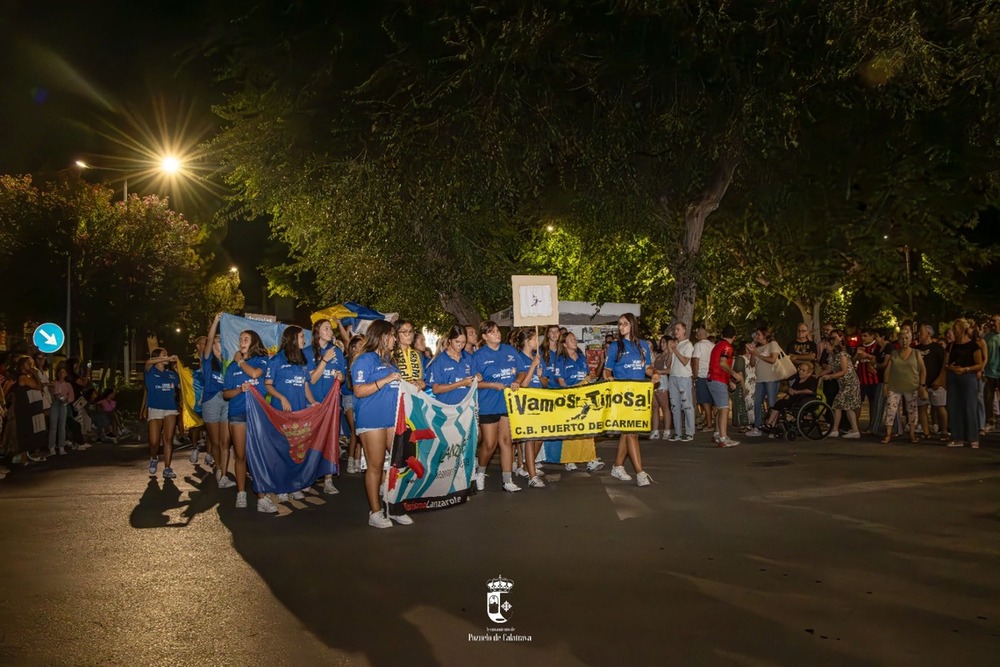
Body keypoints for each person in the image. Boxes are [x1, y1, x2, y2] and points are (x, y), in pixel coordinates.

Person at [351, 319, 412, 528]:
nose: (395, 339)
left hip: (392, 418)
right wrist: (385, 380)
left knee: (398, 463)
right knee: (376, 465)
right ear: (382, 336)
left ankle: (394, 507)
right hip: (372, 418)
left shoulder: (390, 361)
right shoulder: (363, 360)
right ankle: (375, 512)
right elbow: (359, 390)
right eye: (393, 335)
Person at [222, 331, 275, 512]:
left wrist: (240, 361)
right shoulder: (231, 367)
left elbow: (254, 374)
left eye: (246, 339)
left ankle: (261, 498)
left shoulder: (261, 359)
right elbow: (225, 393)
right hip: (237, 413)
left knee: (257, 455)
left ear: (254, 343)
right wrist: (239, 390)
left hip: (257, 414)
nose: (241, 342)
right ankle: (241, 492)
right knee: (240, 455)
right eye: (240, 339)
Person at [266, 325, 319, 503]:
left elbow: (305, 386)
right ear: (293, 339)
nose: (304, 339)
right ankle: (281, 487)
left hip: (299, 415)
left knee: (298, 450)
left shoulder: (302, 361)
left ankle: (295, 485)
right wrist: (281, 398)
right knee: (282, 450)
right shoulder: (276, 360)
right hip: (281, 415)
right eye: (302, 336)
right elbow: (268, 384)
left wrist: (312, 402)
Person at [604, 313, 657, 486]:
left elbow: (647, 367)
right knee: (631, 433)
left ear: (632, 325)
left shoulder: (643, 345)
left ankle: (618, 466)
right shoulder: (614, 346)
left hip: (639, 394)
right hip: (622, 395)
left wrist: (654, 374)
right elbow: (607, 370)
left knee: (627, 433)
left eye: (624, 324)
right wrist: (609, 379)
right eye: (619, 324)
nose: (621, 327)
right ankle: (640, 472)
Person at [472, 320, 522, 493]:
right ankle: (480, 471)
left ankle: (507, 480)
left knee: (507, 441)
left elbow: (521, 370)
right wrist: (492, 385)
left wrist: (517, 381)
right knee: (490, 444)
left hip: (507, 403)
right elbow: (473, 383)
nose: (497, 334)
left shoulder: (509, 350)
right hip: (488, 404)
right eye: (492, 332)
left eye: (497, 331)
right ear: (484, 337)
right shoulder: (478, 356)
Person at [308, 318, 348, 495]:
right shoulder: (308, 352)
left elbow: (343, 378)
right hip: (313, 404)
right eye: (326, 328)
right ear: (317, 332)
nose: (330, 332)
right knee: (311, 441)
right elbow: (312, 379)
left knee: (330, 441)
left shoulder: (337, 352)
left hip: (332, 405)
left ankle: (328, 479)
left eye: (330, 329)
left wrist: (340, 377)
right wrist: (324, 360)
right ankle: (308, 477)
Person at [198, 314, 232, 487]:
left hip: (226, 400)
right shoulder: (207, 360)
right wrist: (216, 321)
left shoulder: (228, 362)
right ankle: (219, 468)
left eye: (221, 341)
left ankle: (224, 475)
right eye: (218, 341)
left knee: (226, 441)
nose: (220, 343)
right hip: (211, 400)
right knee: (216, 441)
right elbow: (209, 338)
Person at [881, 328, 927, 444]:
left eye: (907, 338)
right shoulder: (894, 353)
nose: (904, 341)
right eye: (901, 338)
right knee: (891, 409)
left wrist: (922, 385)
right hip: (894, 386)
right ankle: (888, 434)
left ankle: (912, 434)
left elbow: (923, 370)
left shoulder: (916, 353)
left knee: (912, 411)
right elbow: (888, 370)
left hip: (911, 386)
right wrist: (885, 384)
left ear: (911, 339)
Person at [944, 318, 984, 448]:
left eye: (956, 329)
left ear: (962, 330)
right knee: (954, 406)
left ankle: (973, 437)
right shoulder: (951, 345)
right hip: (953, 377)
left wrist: (966, 369)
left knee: (969, 407)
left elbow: (979, 364)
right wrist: (951, 368)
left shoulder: (973, 345)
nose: (954, 332)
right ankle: (957, 436)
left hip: (968, 377)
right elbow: (946, 362)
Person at [817, 330, 861, 438]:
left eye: (826, 345)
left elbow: (844, 370)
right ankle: (855, 431)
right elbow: (829, 368)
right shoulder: (831, 356)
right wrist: (818, 375)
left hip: (850, 383)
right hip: (843, 384)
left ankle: (835, 429)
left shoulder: (842, 354)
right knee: (847, 407)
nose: (825, 347)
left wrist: (831, 376)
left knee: (837, 404)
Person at [144, 349, 181, 479]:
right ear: (157, 357)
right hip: (155, 408)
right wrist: (168, 358)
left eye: (167, 354)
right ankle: (154, 457)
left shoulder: (171, 374)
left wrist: (179, 373)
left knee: (168, 439)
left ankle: (167, 468)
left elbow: (181, 387)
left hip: (170, 408)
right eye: (163, 354)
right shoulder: (150, 370)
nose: (166, 356)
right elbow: (148, 362)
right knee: (154, 442)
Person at [425, 325, 478, 405]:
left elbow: (474, 377)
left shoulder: (469, 358)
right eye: (457, 342)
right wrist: (461, 383)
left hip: (466, 408)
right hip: (447, 409)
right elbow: (436, 389)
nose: (460, 345)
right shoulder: (439, 361)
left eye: (463, 342)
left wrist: (477, 377)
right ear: (450, 340)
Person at [708, 325, 741, 447]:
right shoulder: (727, 347)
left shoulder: (717, 346)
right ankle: (723, 438)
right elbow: (722, 363)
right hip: (718, 379)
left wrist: (729, 380)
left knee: (720, 407)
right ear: (734, 337)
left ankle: (717, 434)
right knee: (724, 408)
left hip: (713, 378)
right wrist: (734, 374)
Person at [746, 327, 781, 437]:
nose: (756, 337)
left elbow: (773, 360)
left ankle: (772, 426)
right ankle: (757, 426)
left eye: (758, 334)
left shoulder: (772, 344)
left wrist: (758, 354)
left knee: (772, 403)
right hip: (760, 379)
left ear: (765, 335)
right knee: (757, 402)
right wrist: (752, 353)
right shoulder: (757, 348)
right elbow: (752, 364)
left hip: (771, 378)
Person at [763, 362, 819, 430]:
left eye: (803, 370)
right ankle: (771, 424)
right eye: (800, 369)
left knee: (781, 404)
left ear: (809, 372)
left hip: (803, 400)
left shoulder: (811, 379)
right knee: (779, 403)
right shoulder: (798, 379)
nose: (800, 371)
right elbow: (792, 388)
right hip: (794, 399)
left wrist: (799, 392)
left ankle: (770, 423)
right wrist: (790, 390)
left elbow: (811, 391)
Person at [915, 324, 948, 440]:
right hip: (922, 384)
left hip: (936, 383)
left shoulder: (937, 348)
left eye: (921, 332)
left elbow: (944, 364)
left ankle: (944, 430)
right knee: (922, 408)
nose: (919, 335)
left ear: (929, 333)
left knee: (940, 407)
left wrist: (940, 379)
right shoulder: (917, 349)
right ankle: (926, 432)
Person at [666, 321, 696, 441]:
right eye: (675, 329)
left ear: (684, 330)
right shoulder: (675, 345)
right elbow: (669, 364)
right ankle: (677, 432)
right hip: (673, 376)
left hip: (684, 377)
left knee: (687, 405)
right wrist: (670, 350)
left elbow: (684, 361)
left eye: (678, 329)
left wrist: (675, 350)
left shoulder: (688, 345)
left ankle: (689, 431)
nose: (675, 331)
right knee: (675, 405)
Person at [343, 335, 366, 473]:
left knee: (360, 430)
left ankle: (359, 461)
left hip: (361, 398)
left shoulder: (365, 361)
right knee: (354, 430)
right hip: (349, 398)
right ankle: (351, 460)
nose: (363, 347)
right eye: (361, 344)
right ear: (353, 347)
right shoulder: (347, 361)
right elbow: (345, 386)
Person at [692, 326, 715, 432]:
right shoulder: (713, 345)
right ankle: (709, 421)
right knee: (710, 401)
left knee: (704, 401)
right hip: (712, 375)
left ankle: (709, 424)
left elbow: (696, 362)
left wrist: (695, 376)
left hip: (702, 375)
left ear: (698, 336)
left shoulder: (698, 345)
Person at [394, 320, 426, 390]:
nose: (409, 335)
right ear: (396, 334)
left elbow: (420, 378)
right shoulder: (392, 354)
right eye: (405, 332)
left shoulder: (415, 354)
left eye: (411, 331)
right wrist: (408, 383)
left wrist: (421, 383)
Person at [49, 363, 73, 456]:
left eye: (63, 372)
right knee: (53, 425)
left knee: (62, 426)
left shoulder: (68, 385)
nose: (61, 374)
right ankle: (51, 446)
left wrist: (67, 400)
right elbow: (53, 393)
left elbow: (71, 396)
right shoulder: (54, 383)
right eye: (60, 372)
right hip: (55, 403)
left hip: (63, 404)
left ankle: (61, 446)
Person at [651, 335, 673, 440]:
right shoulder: (659, 355)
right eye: (661, 342)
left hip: (663, 381)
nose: (662, 344)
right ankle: (655, 430)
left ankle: (667, 430)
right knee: (655, 407)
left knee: (665, 407)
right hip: (655, 381)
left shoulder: (669, 355)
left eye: (664, 342)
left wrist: (658, 371)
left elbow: (669, 369)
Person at [983, 314, 1000, 431]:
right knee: (988, 398)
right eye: (991, 321)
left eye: (994, 321)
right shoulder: (986, 337)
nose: (992, 323)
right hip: (988, 372)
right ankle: (990, 420)